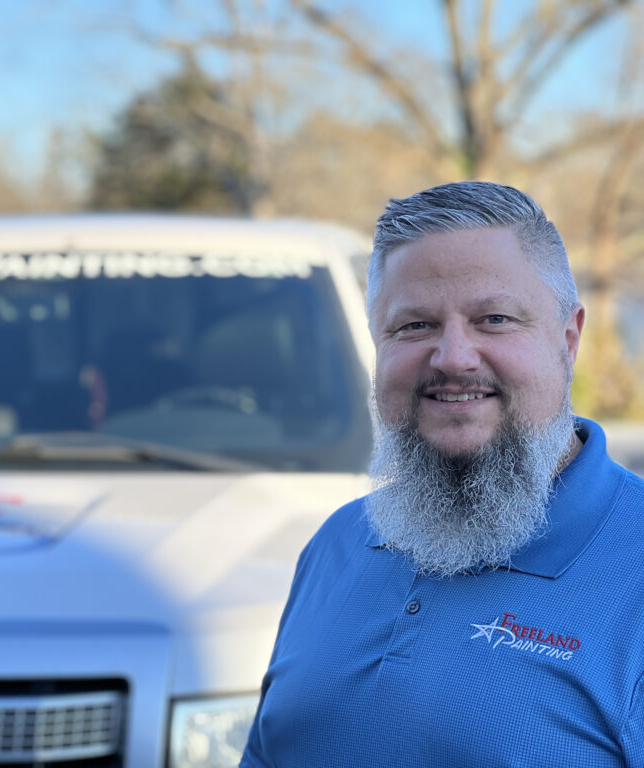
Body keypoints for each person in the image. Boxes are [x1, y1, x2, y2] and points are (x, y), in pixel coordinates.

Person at [240, 181, 644, 767]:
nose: (453, 358)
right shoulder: (337, 544)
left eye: (495, 319)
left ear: (568, 338)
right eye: (414, 327)